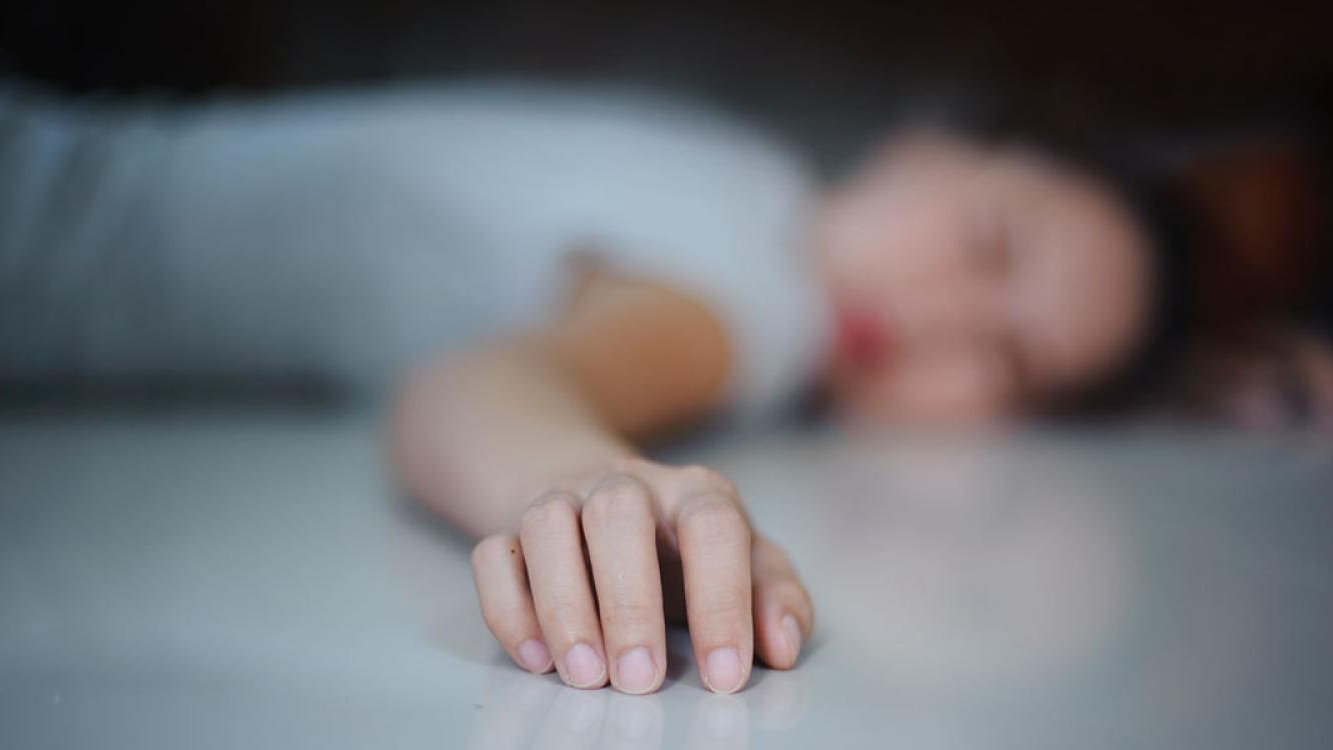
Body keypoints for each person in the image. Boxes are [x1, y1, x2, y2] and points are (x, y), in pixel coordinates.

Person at [0, 79, 1325, 695]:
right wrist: (590, 487)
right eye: (986, 245)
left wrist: (1233, 383)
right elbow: (478, 386)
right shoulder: (758, 281)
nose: (937, 321)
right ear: (925, 143)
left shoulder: (728, 175)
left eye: (1006, 360)